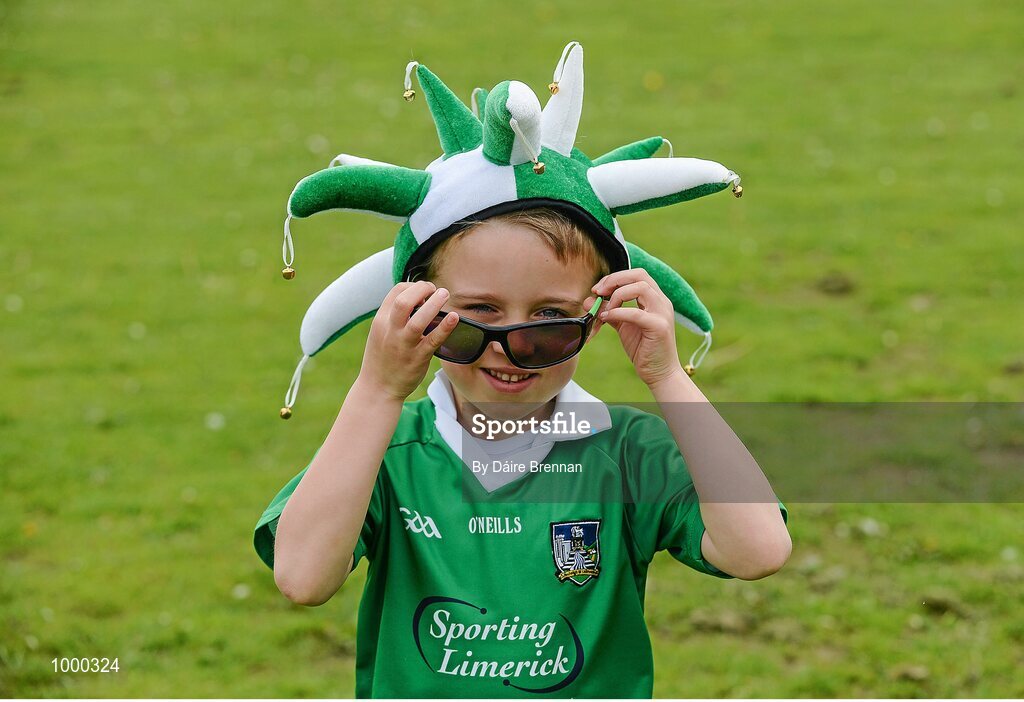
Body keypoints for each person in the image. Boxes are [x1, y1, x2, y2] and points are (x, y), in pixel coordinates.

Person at [254, 43, 790, 697]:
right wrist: (377, 388)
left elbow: (759, 550)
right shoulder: (387, 450)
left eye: (549, 325)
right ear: (413, 308)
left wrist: (669, 379)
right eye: (474, 319)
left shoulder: (626, 454)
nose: (507, 352)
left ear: (600, 316)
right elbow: (303, 576)